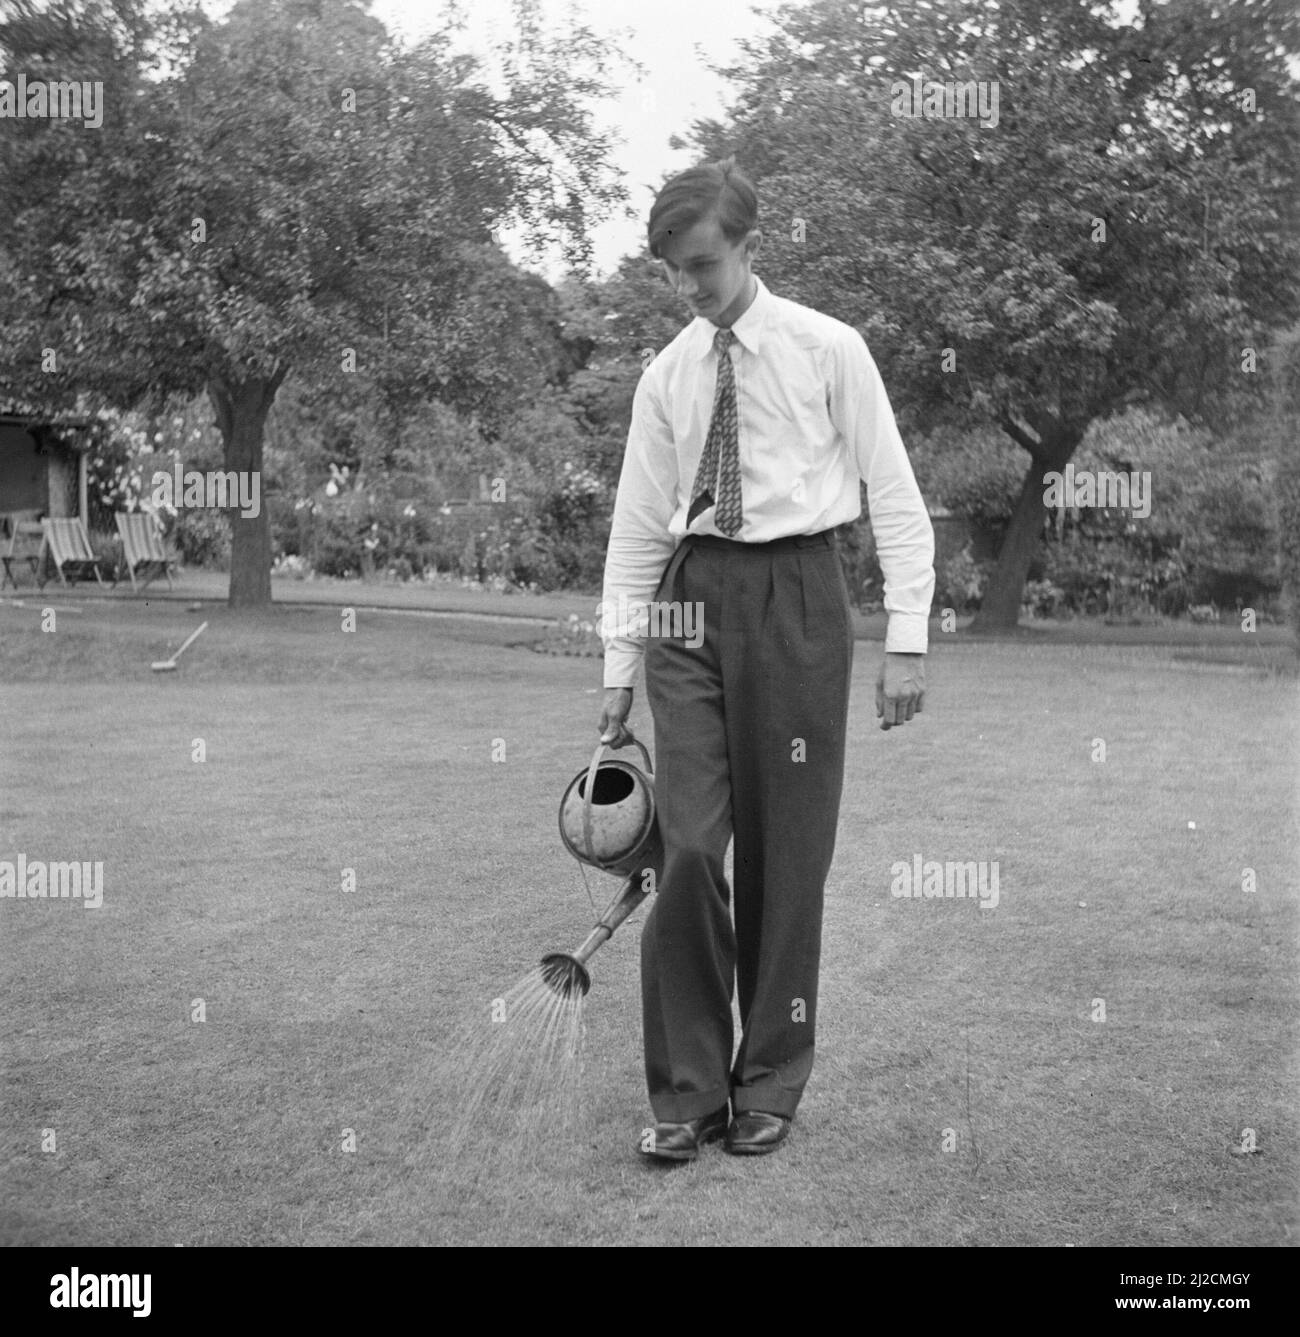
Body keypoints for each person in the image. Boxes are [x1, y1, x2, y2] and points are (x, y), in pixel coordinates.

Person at [597, 156, 934, 1161]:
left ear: (749, 243)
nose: (690, 286)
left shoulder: (829, 349)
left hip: (799, 599)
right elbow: (635, 530)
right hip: (690, 608)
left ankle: (770, 1077)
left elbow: (896, 497)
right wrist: (617, 668)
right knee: (689, 846)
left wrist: (905, 639)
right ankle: (688, 1089)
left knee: (790, 860)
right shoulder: (667, 375)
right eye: (674, 271)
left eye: (701, 263)